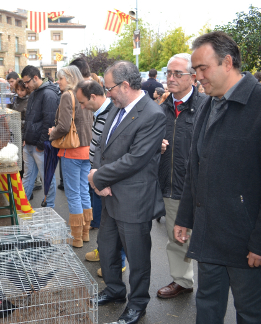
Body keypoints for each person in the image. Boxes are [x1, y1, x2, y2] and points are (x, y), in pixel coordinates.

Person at [175, 31, 261, 324]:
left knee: (249, 315)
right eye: (194, 70)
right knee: (207, 309)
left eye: (202, 69)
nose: (197, 77)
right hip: (209, 236)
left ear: (227, 62)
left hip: (246, 242)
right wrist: (185, 217)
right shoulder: (207, 103)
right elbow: (194, 170)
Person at [88, 61, 166, 324]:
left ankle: (138, 304)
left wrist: (99, 177)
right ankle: (114, 290)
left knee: (137, 256)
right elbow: (101, 146)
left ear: (124, 85)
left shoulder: (152, 114)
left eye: (109, 88)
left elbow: (136, 159)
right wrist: (99, 177)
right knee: (107, 247)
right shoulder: (116, 107)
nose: (106, 93)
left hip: (133, 200)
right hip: (109, 194)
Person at [156, 53, 206, 300]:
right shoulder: (162, 108)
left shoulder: (207, 106)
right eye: (168, 73)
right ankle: (183, 281)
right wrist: (157, 147)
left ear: (193, 77)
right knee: (177, 237)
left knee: (207, 239)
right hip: (173, 185)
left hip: (203, 187)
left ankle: (210, 287)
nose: (171, 78)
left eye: (178, 74)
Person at [75, 80, 127, 274]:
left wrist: (102, 177)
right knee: (105, 222)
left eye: (82, 102)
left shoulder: (112, 113)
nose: (81, 107)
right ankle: (104, 251)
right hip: (98, 177)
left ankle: (117, 261)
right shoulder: (99, 113)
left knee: (115, 222)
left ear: (93, 97)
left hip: (107, 178)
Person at [49, 66, 93, 247]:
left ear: (68, 78)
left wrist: (52, 132)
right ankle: (84, 234)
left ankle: (76, 238)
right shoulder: (86, 93)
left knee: (73, 194)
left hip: (72, 150)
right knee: (84, 191)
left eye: (60, 78)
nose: (58, 82)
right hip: (87, 150)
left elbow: (64, 126)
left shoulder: (68, 95)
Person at [21, 65, 60, 206]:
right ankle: (22, 207)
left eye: (27, 82)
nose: (25, 85)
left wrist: (41, 144)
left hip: (40, 146)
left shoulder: (48, 94)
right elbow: (30, 118)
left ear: (35, 78)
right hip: (30, 144)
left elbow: (49, 122)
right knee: (28, 177)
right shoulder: (35, 93)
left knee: (47, 178)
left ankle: (48, 207)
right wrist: (26, 138)